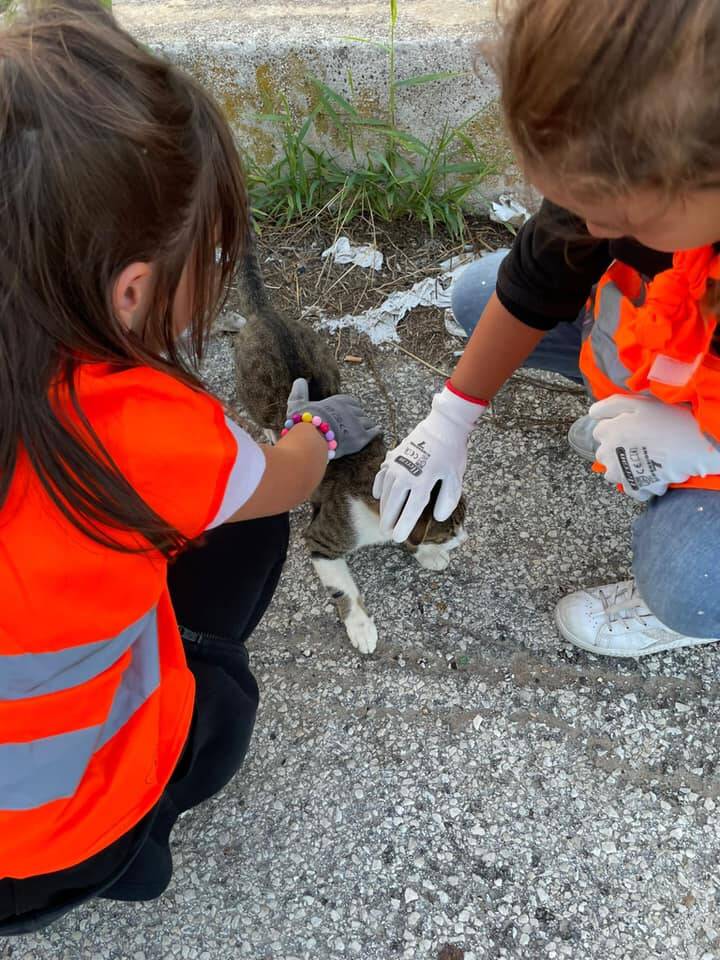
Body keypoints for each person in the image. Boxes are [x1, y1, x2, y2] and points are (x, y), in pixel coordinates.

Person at [0, 0, 378, 935]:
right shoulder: (143, 429)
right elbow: (283, 480)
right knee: (245, 530)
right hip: (58, 849)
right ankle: (138, 834)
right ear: (132, 291)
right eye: (205, 254)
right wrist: (325, 432)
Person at [374, 0, 720, 660]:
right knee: (482, 296)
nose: (592, 231)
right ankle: (633, 409)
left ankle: (682, 607)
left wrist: (707, 448)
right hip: (677, 350)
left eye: (625, 218)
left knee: (691, 582)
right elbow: (536, 280)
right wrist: (450, 417)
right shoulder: (623, 130)